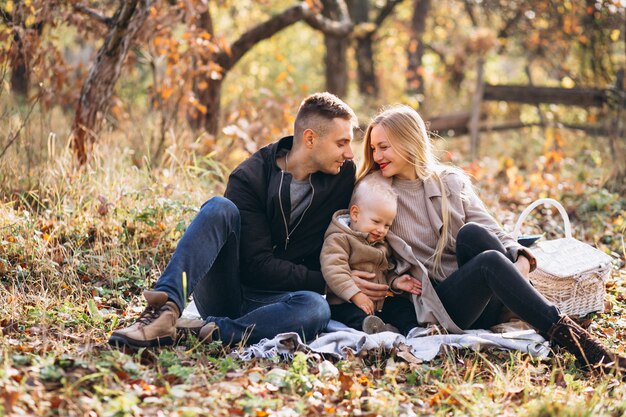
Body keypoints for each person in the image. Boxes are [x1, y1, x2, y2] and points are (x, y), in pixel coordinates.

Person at [356, 104, 626, 372]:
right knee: (489, 262)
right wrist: (392, 280)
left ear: (408, 142)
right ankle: (584, 346)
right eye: (373, 148)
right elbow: (368, 251)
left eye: (384, 147)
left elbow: (491, 227)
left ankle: (541, 318)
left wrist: (520, 256)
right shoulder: (377, 194)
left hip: (483, 297)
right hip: (441, 304)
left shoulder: (449, 181)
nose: (376, 155)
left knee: (473, 233)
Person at [109, 92, 358, 349]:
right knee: (219, 208)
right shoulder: (250, 177)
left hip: (283, 302)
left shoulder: (342, 176)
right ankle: (162, 314)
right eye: (341, 143)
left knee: (316, 308)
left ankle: (209, 332)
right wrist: (326, 281)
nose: (349, 153)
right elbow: (256, 266)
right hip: (229, 291)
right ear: (310, 138)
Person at [320, 178, 422, 335]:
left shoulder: (380, 244)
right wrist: (356, 295)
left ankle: (412, 330)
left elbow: (384, 272)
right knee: (355, 317)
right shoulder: (339, 238)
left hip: (378, 303)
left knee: (402, 306)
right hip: (344, 302)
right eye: (376, 221)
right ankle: (375, 332)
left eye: (387, 225)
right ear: (355, 214)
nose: (381, 230)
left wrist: (395, 282)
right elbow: (333, 270)